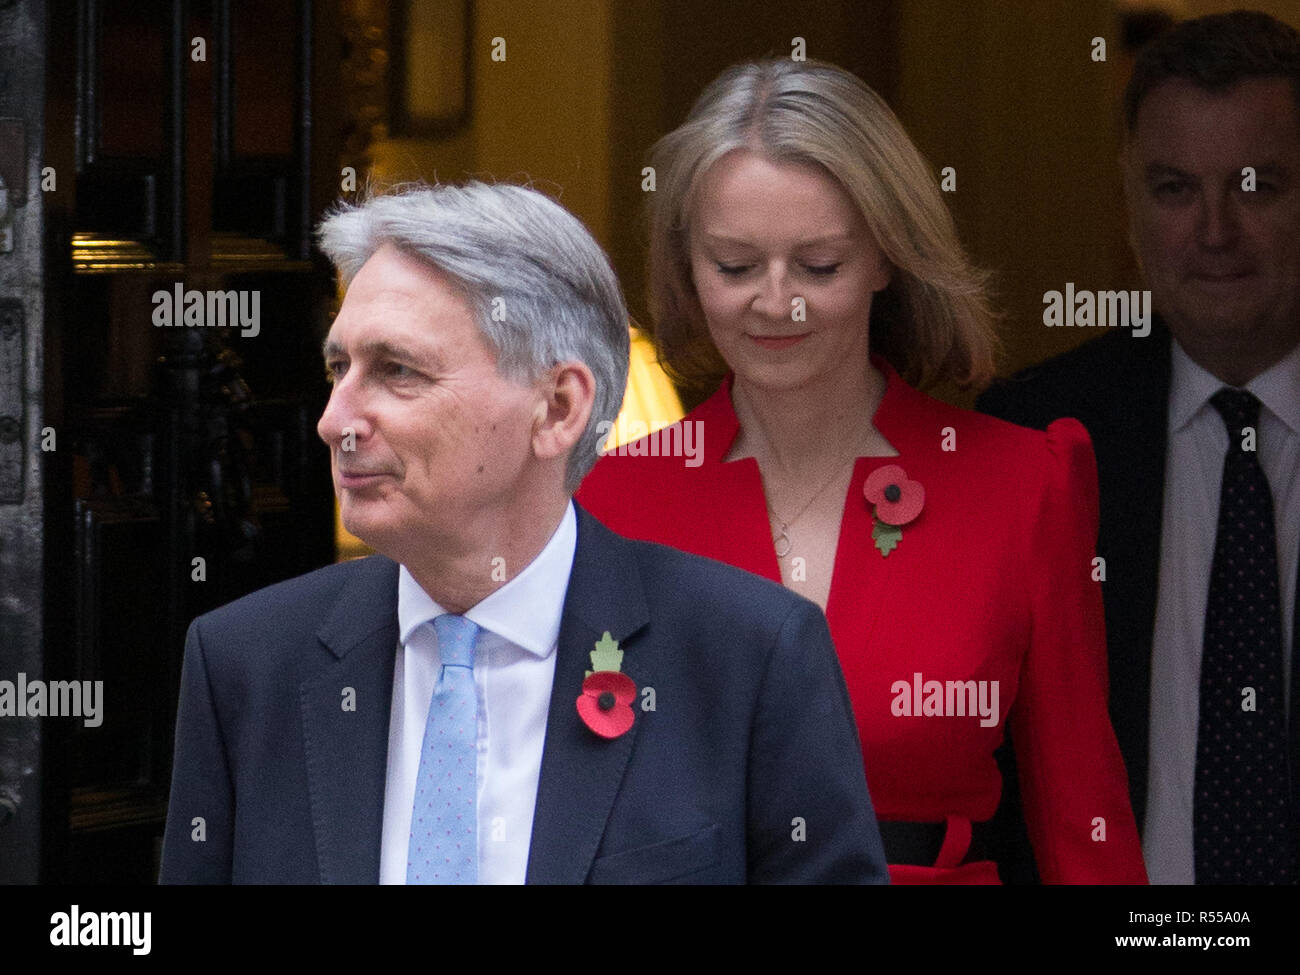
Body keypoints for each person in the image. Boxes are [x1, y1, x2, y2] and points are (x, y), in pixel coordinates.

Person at [158, 181, 889, 884]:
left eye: (397, 370)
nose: (334, 420)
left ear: (557, 408)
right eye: (340, 367)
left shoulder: (748, 660)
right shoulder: (246, 666)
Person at [577, 59, 1146, 884]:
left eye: (819, 266)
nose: (779, 304)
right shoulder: (611, 499)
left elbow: (1084, 828)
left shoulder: (1023, 484)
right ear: (687, 267)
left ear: (887, 257)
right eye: (735, 266)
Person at [979, 10, 1300, 885]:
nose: (1214, 231)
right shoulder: (1030, 437)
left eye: (1257, 186)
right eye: (1173, 189)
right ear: (1128, 208)